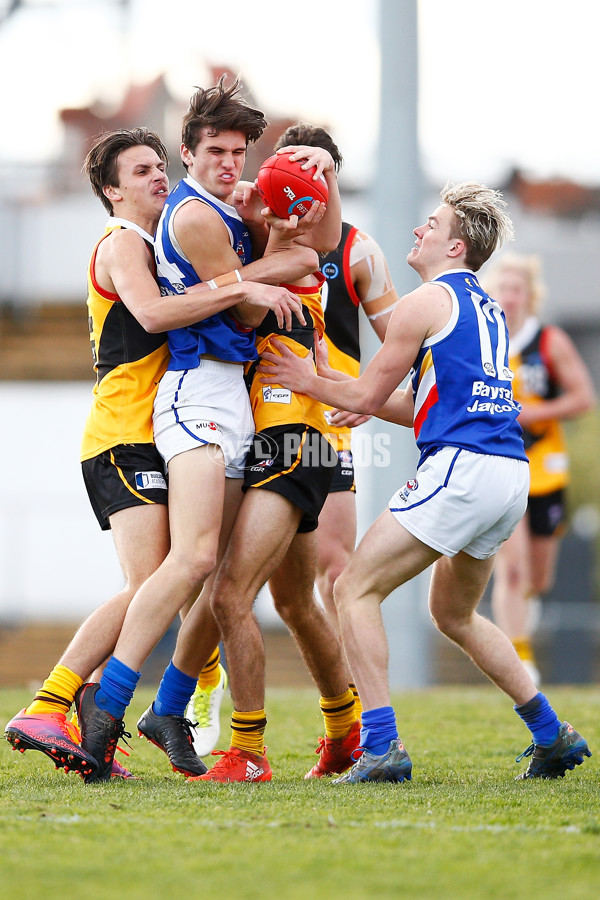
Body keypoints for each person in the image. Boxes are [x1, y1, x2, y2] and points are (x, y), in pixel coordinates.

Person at [259, 182, 592, 783]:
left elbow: (366, 394)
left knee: (353, 589)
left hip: (463, 468)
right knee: (454, 613)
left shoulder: (423, 304)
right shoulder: (482, 306)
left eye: (432, 225)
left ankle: (381, 746)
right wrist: (344, 387)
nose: (419, 231)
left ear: (457, 246)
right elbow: (419, 403)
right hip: (508, 474)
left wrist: (311, 381)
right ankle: (552, 734)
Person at [3, 126, 307, 781]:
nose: (157, 177)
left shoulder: (150, 240)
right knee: (161, 582)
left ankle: (93, 743)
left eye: (159, 166)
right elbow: (151, 314)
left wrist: (251, 248)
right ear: (111, 190)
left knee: (164, 586)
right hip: (122, 432)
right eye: (140, 171)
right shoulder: (120, 242)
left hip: (146, 428)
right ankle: (52, 702)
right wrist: (241, 285)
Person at [71, 78, 326, 783]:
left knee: (219, 579)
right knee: (189, 564)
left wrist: (267, 250)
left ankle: (169, 707)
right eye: (215, 150)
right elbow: (244, 312)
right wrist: (274, 268)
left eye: (240, 152)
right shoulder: (191, 220)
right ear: (190, 152)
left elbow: (260, 279)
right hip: (196, 393)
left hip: (231, 398)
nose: (229, 163)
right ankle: (99, 713)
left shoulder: (220, 209)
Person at [143, 136, 362, 784]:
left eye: (267, 187)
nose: (248, 198)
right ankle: (349, 731)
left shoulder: (299, 250)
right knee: (295, 602)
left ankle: (248, 750)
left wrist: (341, 391)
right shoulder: (258, 240)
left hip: (291, 440)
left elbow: (305, 243)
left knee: (231, 593)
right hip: (287, 439)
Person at [272, 123, 399, 729]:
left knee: (333, 570)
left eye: (315, 170)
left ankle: (356, 707)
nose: (302, 182)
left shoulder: (360, 251)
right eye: (291, 167)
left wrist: (368, 394)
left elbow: (408, 342)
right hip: (256, 419)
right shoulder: (255, 234)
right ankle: (199, 693)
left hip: (326, 429)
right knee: (217, 574)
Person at [483, 254, 595, 684]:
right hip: (503, 463)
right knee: (512, 569)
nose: (509, 297)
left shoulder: (549, 342)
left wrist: (535, 412)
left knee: (539, 576)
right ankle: (520, 659)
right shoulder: (483, 338)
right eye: (503, 289)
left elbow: (583, 398)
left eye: (517, 289)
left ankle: (523, 617)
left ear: (530, 297)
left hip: (547, 465)